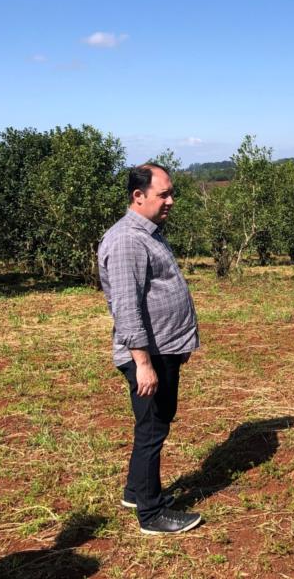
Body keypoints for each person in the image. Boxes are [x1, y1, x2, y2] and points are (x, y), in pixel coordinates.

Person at [98, 163, 202, 534]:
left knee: (153, 424)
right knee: (153, 429)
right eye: (164, 194)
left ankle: (136, 491)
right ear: (138, 196)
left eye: (172, 193)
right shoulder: (128, 239)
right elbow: (126, 307)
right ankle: (151, 514)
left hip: (162, 349)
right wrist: (142, 362)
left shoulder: (149, 232)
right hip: (148, 355)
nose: (171, 201)